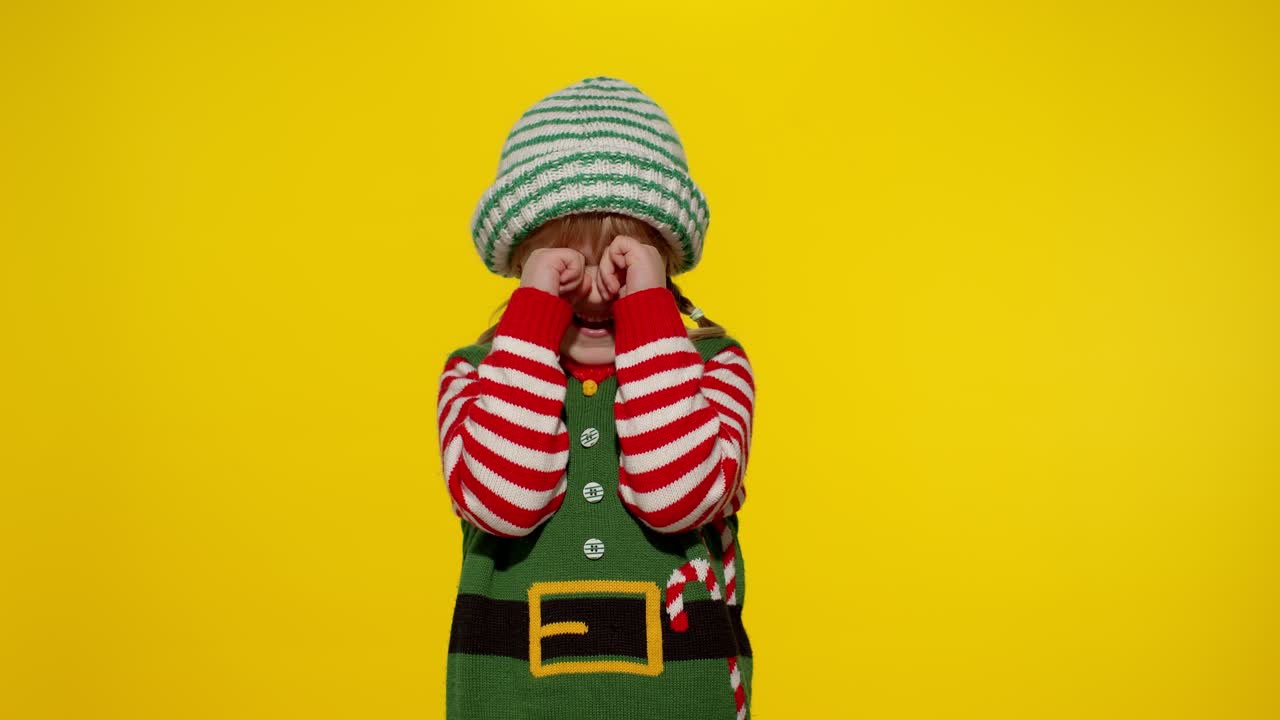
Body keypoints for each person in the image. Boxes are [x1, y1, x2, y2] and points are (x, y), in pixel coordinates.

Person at [437, 76, 756, 719]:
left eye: (621, 257)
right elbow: (503, 504)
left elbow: (679, 498)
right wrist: (530, 320)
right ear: (523, 261)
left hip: (683, 703)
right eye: (562, 260)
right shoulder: (476, 377)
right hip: (508, 704)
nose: (592, 288)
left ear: (664, 259)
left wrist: (647, 311)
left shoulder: (714, 368)